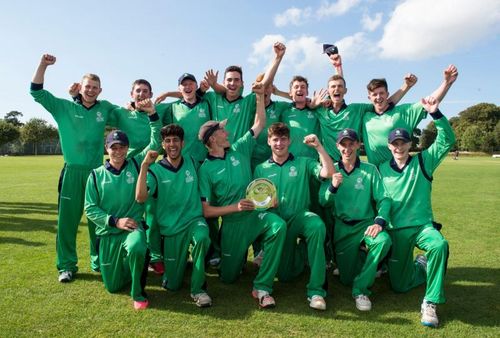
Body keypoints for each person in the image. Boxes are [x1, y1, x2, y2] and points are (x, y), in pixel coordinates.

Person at [30, 54, 120, 282]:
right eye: (87, 86)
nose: (91, 90)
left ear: (100, 91)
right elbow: (36, 91)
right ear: (80, 88)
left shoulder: (105, 108)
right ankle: (67, 266)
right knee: (67, 222)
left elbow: (126, 114)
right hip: (72, 172)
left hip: (98, 174)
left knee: (98, 220)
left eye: (95, 87)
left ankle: (99, 260)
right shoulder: (63, 107)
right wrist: (43, 65)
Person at [198, 84, 287, 309]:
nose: (227, 132)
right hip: (232, 224)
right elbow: (206, 211)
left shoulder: (239, 148)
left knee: (278, 226)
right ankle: (233, 263)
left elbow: (260, 123)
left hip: (254, 216)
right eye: (222, 130)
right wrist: (234, 208)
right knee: (229, 278)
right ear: (212, 140)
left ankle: (263, 286)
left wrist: (259, 97)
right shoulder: (206, 169)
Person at [378, 97, 455, 327]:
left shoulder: (424, 161)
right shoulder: (382, 170)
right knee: (399, 286)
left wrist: (436, 114)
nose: (399, 147)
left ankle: (430, 302)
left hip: (422, 225)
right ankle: (421, 266)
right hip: (397, 230)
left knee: (439, 245)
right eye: (395, 143)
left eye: (403, 143)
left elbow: (447, 140)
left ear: (410, 144)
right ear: (389, 146)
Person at [84, 99, 161, 310]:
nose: (118, 151)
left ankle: (139, 292)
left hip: (132, 228)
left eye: (122, 147)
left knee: (137, 246)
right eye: (113, 147)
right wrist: (115, 221)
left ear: (128, 149)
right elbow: (90, 208)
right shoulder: (96, 175)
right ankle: (128, 268)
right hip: (109, 232)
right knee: (113, 286)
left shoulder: (136, 164)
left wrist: (153, 114)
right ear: (107, 148)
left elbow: (155, 144)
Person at [254, 122, 334, 310]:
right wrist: (266, 203)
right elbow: (256, 203)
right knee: (286, 275)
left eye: (283, 139)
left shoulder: (303, 162)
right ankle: (302, 253)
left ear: (289, 141)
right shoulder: (260, 169)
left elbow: (329, 172)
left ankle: (316, 291)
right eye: (275, 140)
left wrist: (319, 147)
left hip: (299, 218)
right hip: (276, 224)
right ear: (268, 141)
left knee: (317, 225)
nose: (279, 144)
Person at [135, 124, 212, 308]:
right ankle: (177, 269)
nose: (172, 144)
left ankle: (198, 290)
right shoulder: (155, 170)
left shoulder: (193, 163)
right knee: (173, 286)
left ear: (183, 143)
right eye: (168, 141)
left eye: (176, 140)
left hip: (194, 221)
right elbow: (140, 198)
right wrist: (145, 166)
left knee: (202, 238)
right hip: (171, 230)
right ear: (163, 144)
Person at [319, 128, 392, 311]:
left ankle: (361, 290)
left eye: (351, 143)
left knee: (383, 241)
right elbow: (323, 201)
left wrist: (379, 221)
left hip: (366, 224)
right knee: (345, 279)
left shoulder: (369, 169)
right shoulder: (331, 169)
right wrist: (333, 187)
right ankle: (362, 260)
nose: (347, 148)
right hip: (343, 228)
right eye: (343, 144)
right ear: (337, 146)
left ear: (359, 145)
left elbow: (384, 199)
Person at [363, 65, 458, 165]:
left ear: (387, 94)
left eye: (381, 93)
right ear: (369, 97)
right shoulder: (365, 116)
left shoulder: (403, 112)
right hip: (375, 176)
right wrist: (406, 86)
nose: (378, 97)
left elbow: (429, 102)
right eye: (374, 94)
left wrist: (447, 83)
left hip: (400, 174)